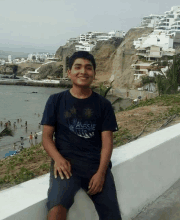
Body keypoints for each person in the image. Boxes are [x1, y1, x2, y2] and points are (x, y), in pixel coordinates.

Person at [41, 51, 122, 220]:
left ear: (94, 74)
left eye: (88, 68)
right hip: (66, 167)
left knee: (112, 216)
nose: (83, 72)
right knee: (56, 212)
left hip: (95, 166)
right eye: (77, 67)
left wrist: (101, 173)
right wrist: (58, 159)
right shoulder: (55, 101)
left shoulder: (104, 105)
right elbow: (47, 138)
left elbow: (107, 143)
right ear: (69, 72)